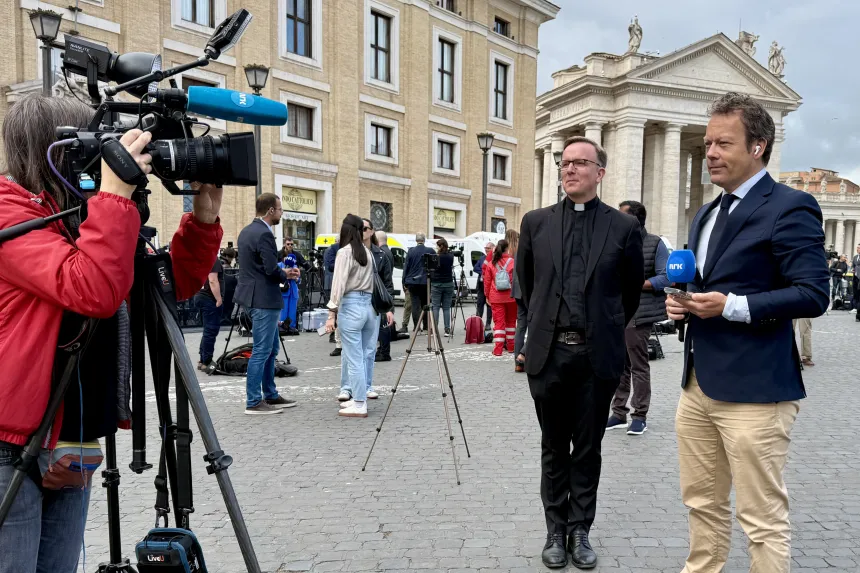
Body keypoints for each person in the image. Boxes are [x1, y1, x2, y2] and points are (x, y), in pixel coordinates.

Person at [0, 93, 223, 573]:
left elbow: (162, 285)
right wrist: (113, 195)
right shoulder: (10, 214)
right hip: (10, 445)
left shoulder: (84, 213)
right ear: (57, 150)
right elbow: (92, 288)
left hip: (71, 438)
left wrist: (203, 216)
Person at [666, 92, 829, 573]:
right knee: (701, 505)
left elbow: (813, 294)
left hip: (757, 392)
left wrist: (731, 306)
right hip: (697, 386)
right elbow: (705, 281)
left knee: (761, 518)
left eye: (723, 143)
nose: (710, 151)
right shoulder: (706, 213)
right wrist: (686, 304)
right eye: (709, 141)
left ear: (758, 146)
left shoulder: (791, 206)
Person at [517, 135, 644, 569]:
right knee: (553, 445)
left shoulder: (624, 228)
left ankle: (579, 530)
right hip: (549, 355)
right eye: (564, 163)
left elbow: (627, 294)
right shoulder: (536, 223)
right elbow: (528, 288)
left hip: (597, 358)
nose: (569, 169)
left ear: (600, 173)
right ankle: (554, 529)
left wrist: (604, 329)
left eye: (580, 163)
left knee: (587, 447)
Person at [606, 200, 668, 436]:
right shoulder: (616, 241)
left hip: (640, 312)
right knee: (619, 364)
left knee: (637, 365)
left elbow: (665, 277)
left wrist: (638, 284)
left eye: (622, 216)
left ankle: (639, 415)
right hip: (616, 311)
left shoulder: (655, 243)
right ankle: (618, 412)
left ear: (634, 219)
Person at [234, 193, 300, 415]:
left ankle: (270, 394)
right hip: (264, 299)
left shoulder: (246, 231)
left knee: (271, 348)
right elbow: (271, 269)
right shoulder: (264, 234)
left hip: (252, 297)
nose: (281, 213)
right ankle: (253, 401)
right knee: (262, 350)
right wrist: (287, 275)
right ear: (271, 210)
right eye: (280, 209)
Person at [326, 215, 380, 417]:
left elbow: (338, 285)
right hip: (368, 307)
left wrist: (332, 313)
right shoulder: (368, 253)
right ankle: (360, 396)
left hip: (351, 306)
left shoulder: (345, 253)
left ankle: (359, 402)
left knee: (353, 358)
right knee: (364, 354)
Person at [483, 240, 517, 356]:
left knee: (499, 324)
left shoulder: (492, 263)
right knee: (511, 322)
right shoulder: (512, 262)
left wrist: (487, 295)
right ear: (507, 249)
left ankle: (498, 349)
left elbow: (487, 281)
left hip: (496, 297)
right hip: (511, 297)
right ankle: (511, 347)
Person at [195, 254, 225, 373]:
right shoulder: (212, 259)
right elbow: (213, 280)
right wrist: (218, 298)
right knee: (211, 330)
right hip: (209, 298)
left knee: (207, 330)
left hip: (200, 295)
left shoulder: (201, 258)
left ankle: (203, 359)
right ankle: (206, 361)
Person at [401, 233, 436, 332]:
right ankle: (426, 325)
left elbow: (406, 267)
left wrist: (404, 281)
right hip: (426, 281)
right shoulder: (430, 251)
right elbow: (435, 266)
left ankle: (417, 326)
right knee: (425, 303)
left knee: (415, 305)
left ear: (416, 240)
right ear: (424, 240)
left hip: (412, 282)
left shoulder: (411, 251)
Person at [374, 230, 396, 362]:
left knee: (383, 324)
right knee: (384, 323)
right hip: (384, 291)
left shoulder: (382, 254)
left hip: (382, 293)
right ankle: (382, 350)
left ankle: (384, 351)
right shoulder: (388, 252)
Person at [430, 238, 456, 334]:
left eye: (437, 246)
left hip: (437, 284)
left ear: (440, 246)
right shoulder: (451, 256)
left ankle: (434, 329)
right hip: (448, 283)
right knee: (446, 307)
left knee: (436, 307)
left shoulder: (436, 257)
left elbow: (434, 269)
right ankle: (447, 329)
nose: (436, 247)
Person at [277, 238, 302, 335]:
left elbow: (299, 279)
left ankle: (291, 327)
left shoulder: (294, 266)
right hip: (283, 290)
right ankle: (282, 326)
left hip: (293, 291)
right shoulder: (279, 265)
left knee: (292, 310)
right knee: (283, 310)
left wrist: (296, 278)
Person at [474, 242, 495, 331]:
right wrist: (483, 273)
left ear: (492, 249)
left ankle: (488, 324)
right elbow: (475, 268)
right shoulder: (482, 258)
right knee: (480, 304)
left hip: (490, 286)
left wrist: (487, 273)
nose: (486, 250)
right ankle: (477, 322)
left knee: (489, 306)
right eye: (485, 248)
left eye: (488, 248)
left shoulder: (494, 259)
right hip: (481, 285)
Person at [853, 244, 860, 320]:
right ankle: (855, 307)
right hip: (855, 278)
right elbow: (853, 266)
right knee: (856, 294)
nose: (857, 249)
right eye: (857, 248)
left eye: (859, 248)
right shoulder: (855, 257)